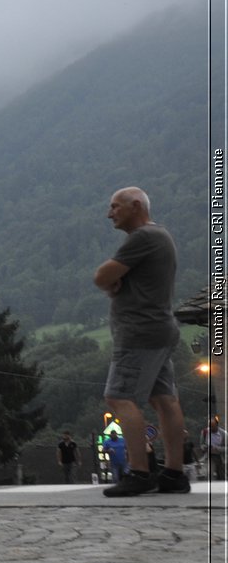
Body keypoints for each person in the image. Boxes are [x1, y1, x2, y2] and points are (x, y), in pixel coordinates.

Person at [95, 187, 189, 496]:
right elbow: (112, 279)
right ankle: (174, 474)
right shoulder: (158, 236)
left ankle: (139, 472)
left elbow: (101, 276)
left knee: (120, 397)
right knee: (164, 399)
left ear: (136, 206)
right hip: (159, 328)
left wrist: (111, 283)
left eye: (115, 206)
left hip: (139, 332)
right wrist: (114, 283)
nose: (110, 213)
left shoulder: (142, 238)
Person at [205, 415, 225, 481]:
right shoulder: (205, 432)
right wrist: (205, 447)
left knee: (221, 475)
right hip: (210, 456)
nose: (210, 428)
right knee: (209, 474)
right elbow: (202, 444)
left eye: (212, 426)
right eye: (209, 426)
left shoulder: (224, 434)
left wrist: (217, 448)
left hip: (220, 457)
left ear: (217, 425)